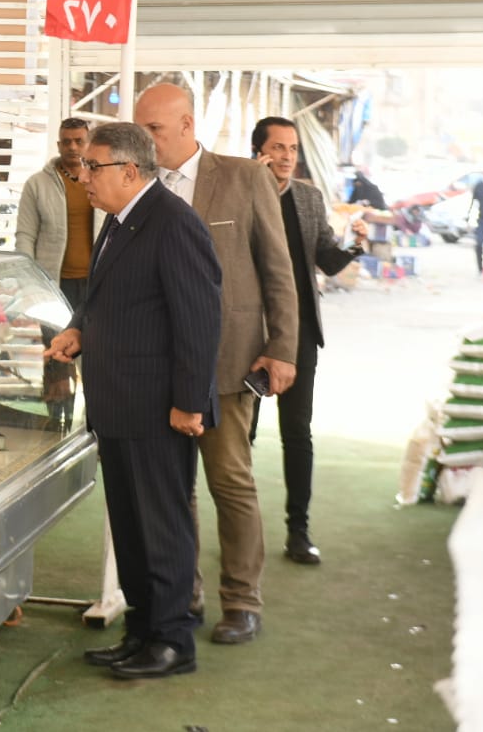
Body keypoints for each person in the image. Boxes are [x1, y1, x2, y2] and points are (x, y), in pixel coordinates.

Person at [47, 122, 221, 679]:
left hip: (157, 408)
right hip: (118, 403)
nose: (82, 176)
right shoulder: (118, 220)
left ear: (129, 170)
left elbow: (199, 321)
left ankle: (172, 641)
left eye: (92, 167)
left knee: (161, 527)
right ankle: (142, 631)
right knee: (130, 528)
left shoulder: (173, 222)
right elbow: (107, 297)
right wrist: (79, 328)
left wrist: (189, 403)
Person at [133, 82, 298, 645]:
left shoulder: (245, 177)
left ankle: (242, 601)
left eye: (154, 129)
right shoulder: (139, 184)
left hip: (227, 363)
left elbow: (278, 269)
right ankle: (184, 595)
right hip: (157, 364)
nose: (145, 139)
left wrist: (282, 348)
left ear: (187, 124)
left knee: (230, 482)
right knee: (174, 489)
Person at [251, 117, 368, 565]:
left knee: (297, 433)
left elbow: (326, 260)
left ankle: (298, 531)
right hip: (248, 332)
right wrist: (259, 185)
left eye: (293, 148)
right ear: (259, 151)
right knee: (241, 435)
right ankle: (242, 532)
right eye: (278, 147)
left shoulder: (308, 197)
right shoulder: (242, 189)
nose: (286, 156)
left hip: (298, 332)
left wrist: (355, 245)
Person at [15, 116, 94, 429]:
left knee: (95, 358)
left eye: (79, 141)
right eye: (66, 141)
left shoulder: (98, 179)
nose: (72, 147)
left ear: (88, 143)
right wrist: (29, 283)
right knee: (56, 359)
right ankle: (56, 423)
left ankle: (94, 425)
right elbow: (25, 236)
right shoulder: (38, 184)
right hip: (52, 286)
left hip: (95, 285)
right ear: (59, 144)